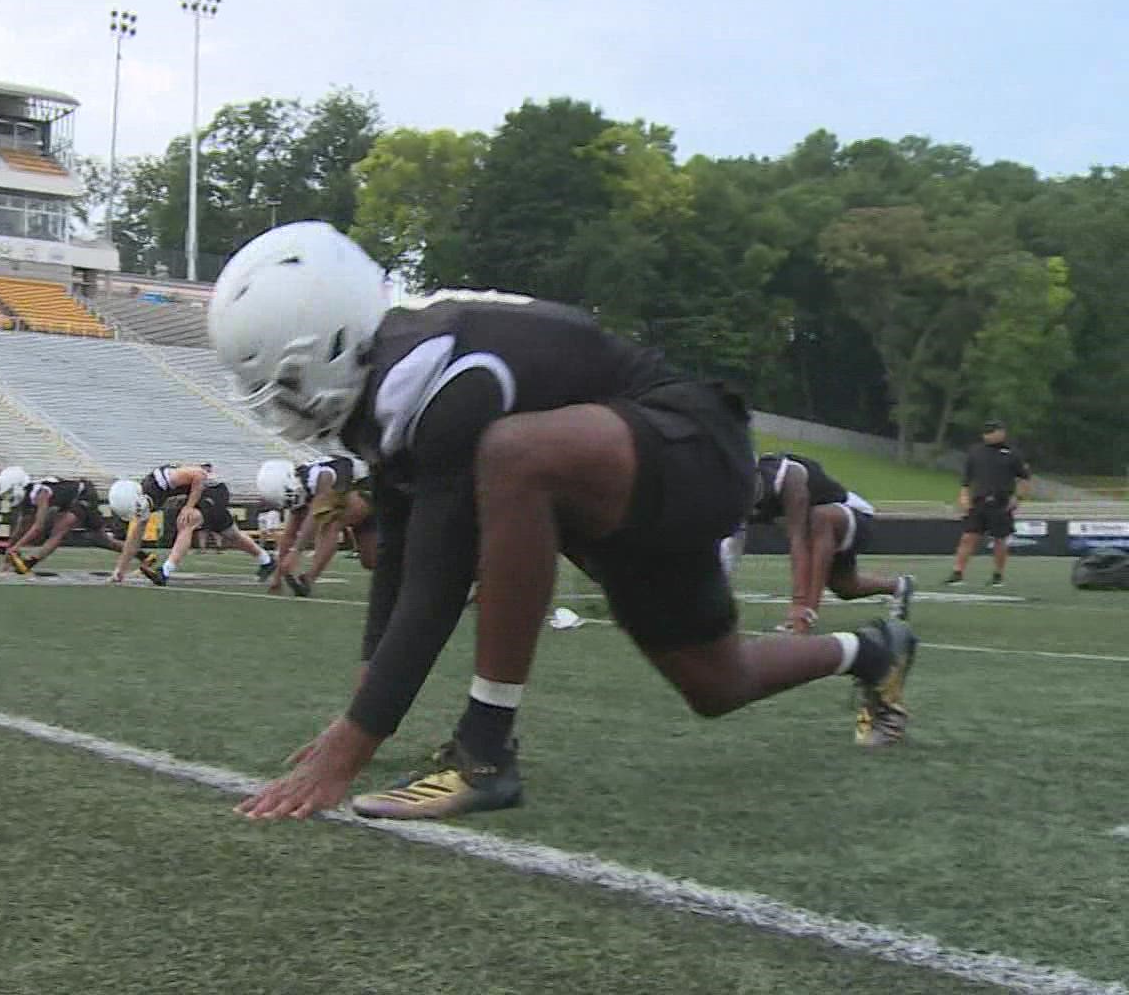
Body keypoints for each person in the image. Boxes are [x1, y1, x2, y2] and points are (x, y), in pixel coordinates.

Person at [208, 223, 919, 823]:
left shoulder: (437, 380)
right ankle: (873, 649)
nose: (284, 404)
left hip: (688, 444)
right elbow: (397, 556)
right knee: (717, 681)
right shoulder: (387, 387)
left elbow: (437, 581)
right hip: (618, 478)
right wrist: (360, 709)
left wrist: (350, 749)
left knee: (513, 456)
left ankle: (486, 750)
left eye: (288, 381)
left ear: (330, 340)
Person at [733, 453, 914, 634]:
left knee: (819, 518)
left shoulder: (789, 476)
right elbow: (728, 543)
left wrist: (800, 604)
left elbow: (798, 542)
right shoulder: (729, 494)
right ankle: (899, 586)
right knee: (845, 587)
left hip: (853, 515)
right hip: (820, 530)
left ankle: (807, 613)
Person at [108, 464, 272, 585]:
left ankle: (164, 572)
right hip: (202, 495)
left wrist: (189, 505)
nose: (138, 514)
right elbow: (133, 541)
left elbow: (199, 475)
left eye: (137, 509)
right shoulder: (142, 503)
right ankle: (267, 560)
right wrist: (120, 571)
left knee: (188, 520)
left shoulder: (162, 479)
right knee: (231, 534)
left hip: (213, 489)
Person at [260, 456, 378, 597]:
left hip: (377, 490)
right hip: (363, 501)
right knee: (371, 561)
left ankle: (308, 579)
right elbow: (290, 534)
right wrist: (278, 576)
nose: (292, 502)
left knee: (330, 520)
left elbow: (318, 512)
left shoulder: (322, 475)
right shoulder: (301, 486)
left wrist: (296, 552)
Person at [949, 420, 1031, 587]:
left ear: (1001, 432)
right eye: (987, 432)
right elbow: (966, 479)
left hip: (1001, 502)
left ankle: (997, 575)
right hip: (979, 501)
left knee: (1000, 539)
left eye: (993, 432)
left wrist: (1018, 498)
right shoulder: (975, 452)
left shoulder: (1012, 453)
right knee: (968, 537)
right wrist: (964, 496)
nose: (989, 435)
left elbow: (1024, 478)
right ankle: (957, 573)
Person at [2, 473, 128, 574]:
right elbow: (20, 528)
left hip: (84, 495)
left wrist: (17, 546)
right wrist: (9, 551)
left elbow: (38, 527)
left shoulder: (41, 493)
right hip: (72, 501)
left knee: (59, 529)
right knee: (102, 540)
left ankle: (31, 562)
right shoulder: (27, 498)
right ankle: (136, 552)